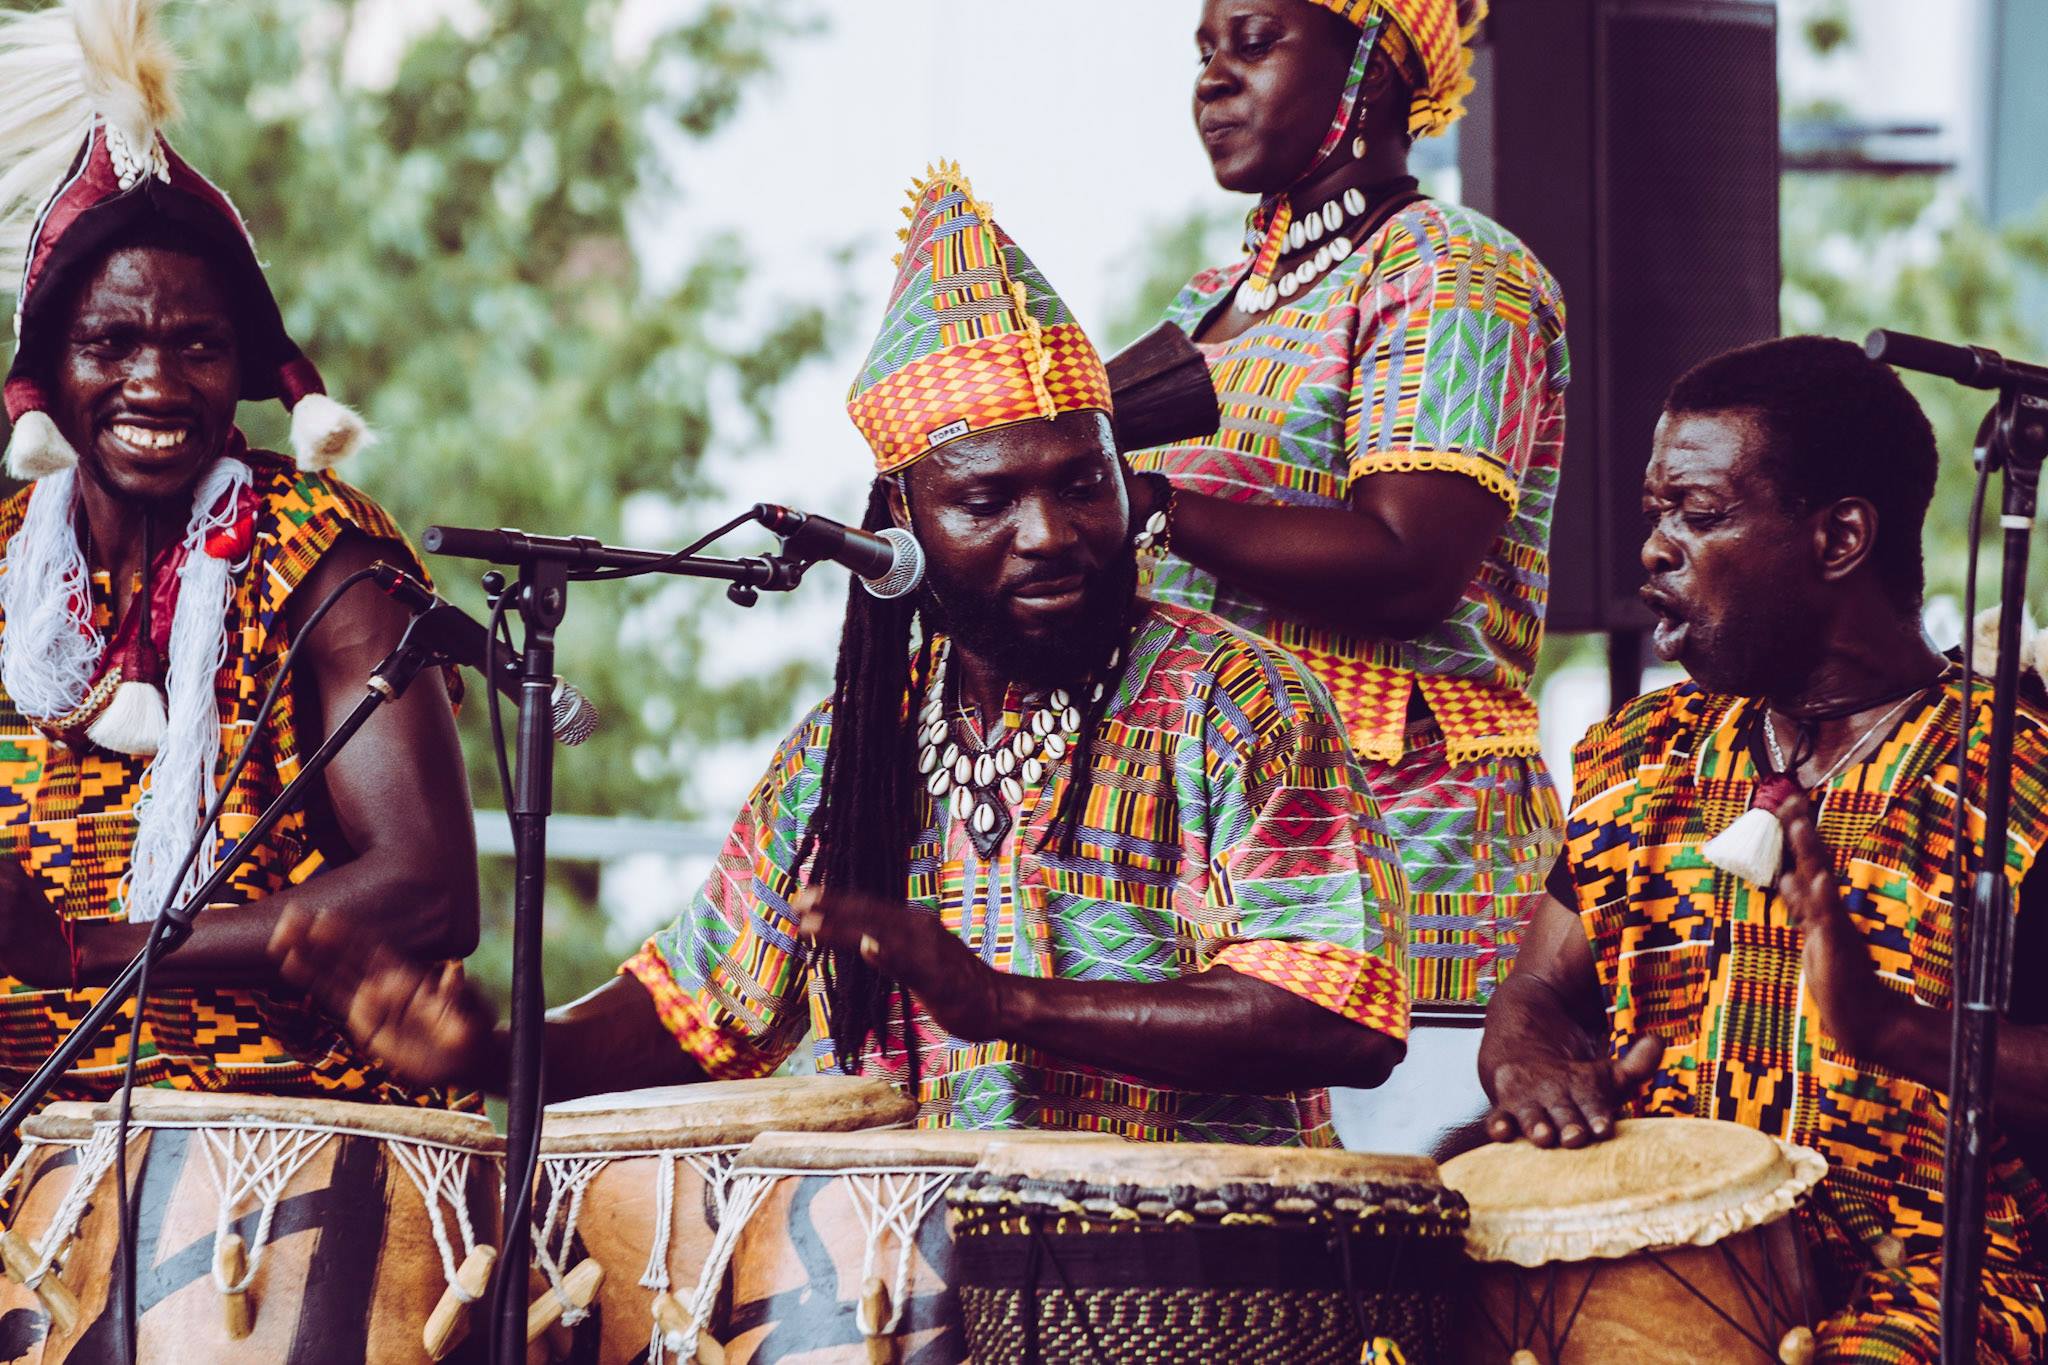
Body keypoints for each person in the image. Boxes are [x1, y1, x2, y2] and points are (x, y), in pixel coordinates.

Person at [276, 162, 1412, 1147]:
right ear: (900, 524)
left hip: (1189, 1301)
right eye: (986, 500)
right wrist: (491, 1051)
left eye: (1082, 483)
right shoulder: (848, 752)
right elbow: (691, 1007)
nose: (1050, 532)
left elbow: (1341, 1014)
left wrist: (1005, 1005)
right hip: (908, 1301)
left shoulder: (1236, 704)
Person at [1478, 336, 2048, 1361]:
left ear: (1837, 538)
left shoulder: (2017, 773)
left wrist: (1895, 1032)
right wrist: (1528, 1060)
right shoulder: (1638, 759)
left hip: (1931, 1281)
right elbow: (1535, 989)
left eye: (1696, 516)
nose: (1654, 549)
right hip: (1654, 1252)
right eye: (1657, 512)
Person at [0, 0, 478, 1117]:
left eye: (197, 345)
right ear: (45, 376)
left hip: (285, 1133)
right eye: (110, 344)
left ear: (253, 369)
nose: (155, 386)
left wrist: (84, 950)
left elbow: (428, 893)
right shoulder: (8, 561)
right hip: (27, 1125)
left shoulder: (323, 553)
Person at [1126, 0, 1568, 1147]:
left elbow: (1409, 559)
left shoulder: (1454, 269)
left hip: (1407, 852)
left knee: (1397, 1275)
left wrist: (1156, 508)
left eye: (1255, 41)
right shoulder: (1204, 305)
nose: (1212, 80)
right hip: (1218, 855)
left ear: (1373, 61)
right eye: (1203, 52)